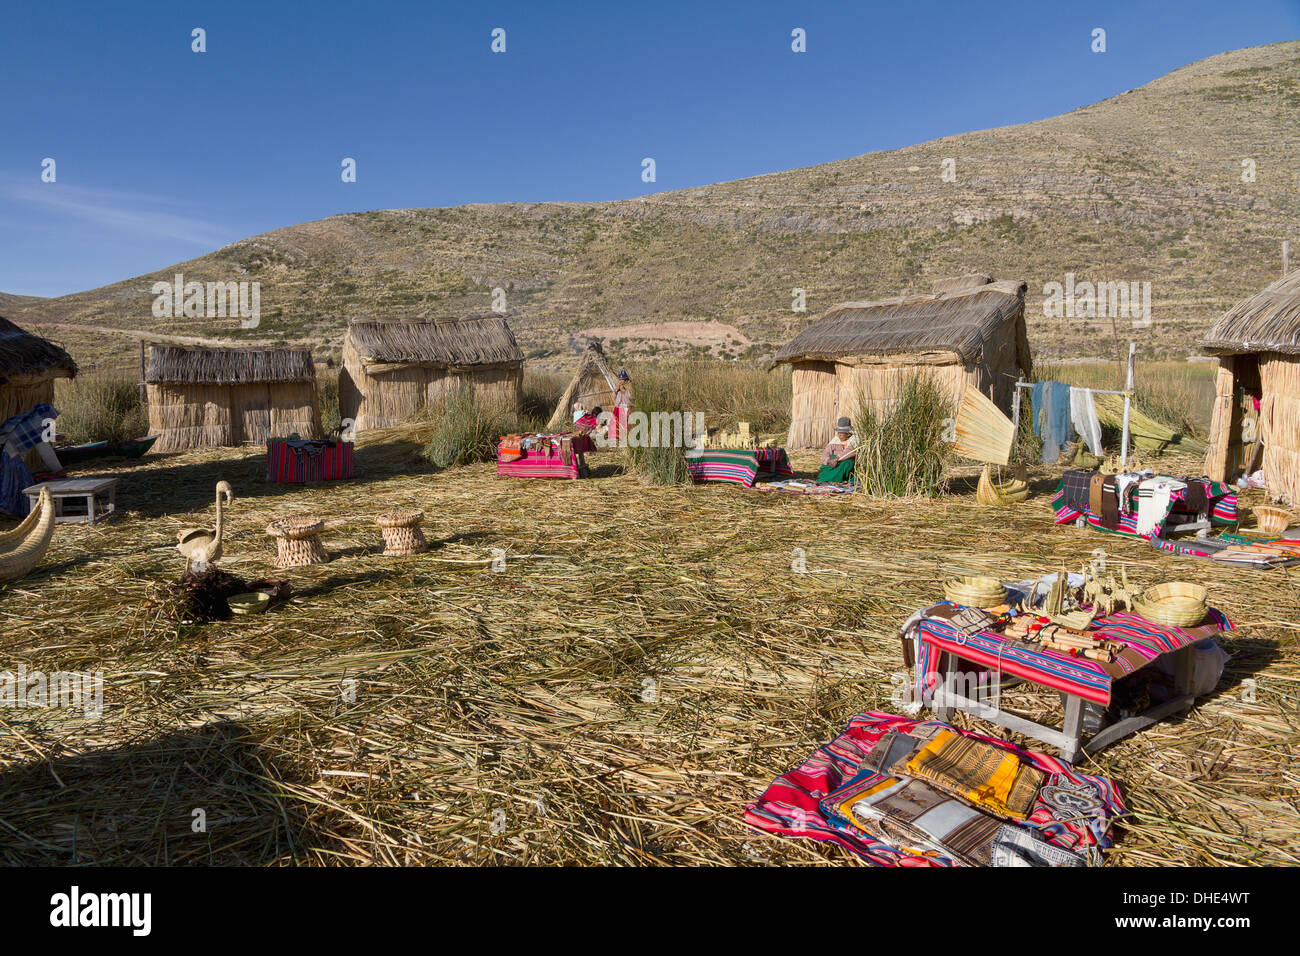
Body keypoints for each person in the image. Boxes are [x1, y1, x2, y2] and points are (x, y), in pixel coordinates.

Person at [817, 417, 858, 483]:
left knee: (847, 463)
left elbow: (849, 451)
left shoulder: (854, 440)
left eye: (842, 432)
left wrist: (836, 459)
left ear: (848, 434)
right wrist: (828, 460)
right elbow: (826, 452)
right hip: (832, 462)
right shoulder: (835, 440)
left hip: (846, 463)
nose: (839, 434)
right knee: (824, 466)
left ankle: (828, 480)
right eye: (838, 432)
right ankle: (826, 478)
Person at [611, 370, 633, 443]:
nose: (620, 381)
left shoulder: (629, 387)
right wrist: (616, 391)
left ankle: (626, 438)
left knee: (626, 423)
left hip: (625, 407)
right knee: (615, 422)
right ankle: (616, 437)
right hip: (618, 407)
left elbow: (631, 397)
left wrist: (624, 391)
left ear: (626, 380)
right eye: (619, 379)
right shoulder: (618, 387)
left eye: (622, 379)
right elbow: (613, 396)